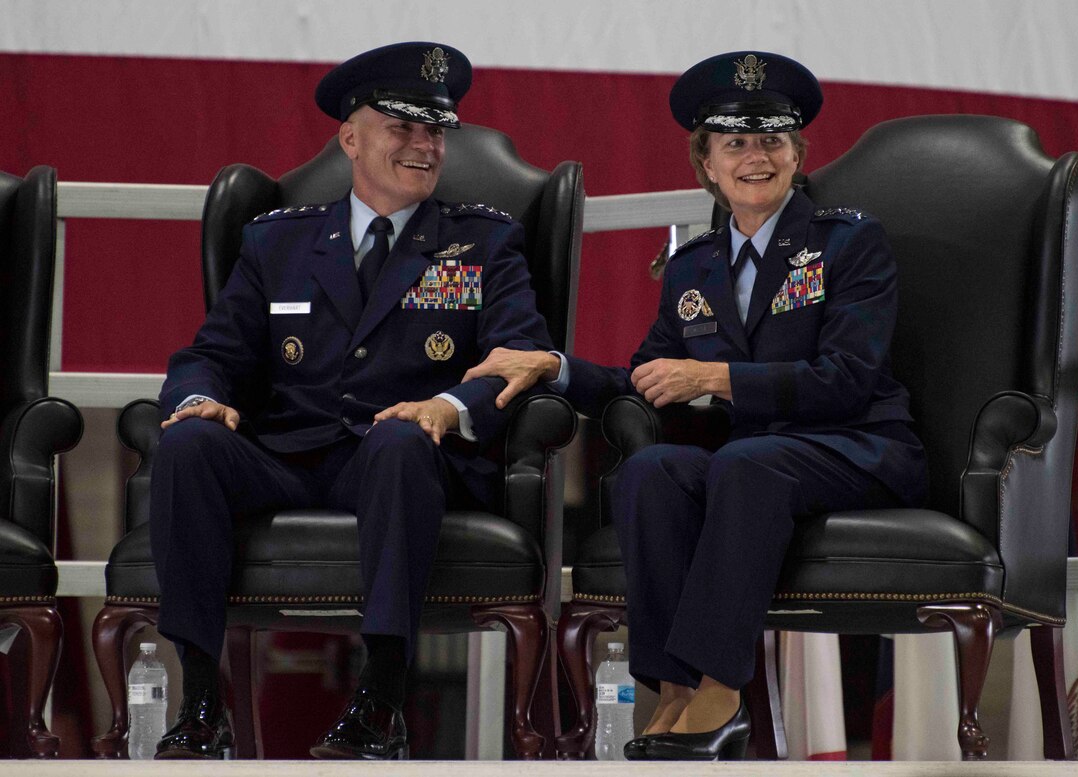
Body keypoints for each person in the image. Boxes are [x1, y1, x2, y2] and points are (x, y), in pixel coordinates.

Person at [462, 51, 927, 761]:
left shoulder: (847, 241)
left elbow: (849, 377)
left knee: (742, 461)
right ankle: (671, 684)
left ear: (797, 154)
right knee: (654, 471)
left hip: (857, 443)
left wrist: (715, 375)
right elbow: (647, 377)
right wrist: (553, 365)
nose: (755, 156)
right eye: (734, 143)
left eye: (772, 140)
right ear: (706, 164)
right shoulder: (694, 265)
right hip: (761, 460)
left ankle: (720, 684)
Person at [148, 41, 553, 760]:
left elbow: (515, 359)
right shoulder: (280, 243)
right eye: (403, 128)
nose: (425, 146)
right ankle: (203, 700)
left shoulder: (481, 244)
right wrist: (203, 398)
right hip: (289, 454)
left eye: (434, 131)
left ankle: (382, 698)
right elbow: (209, 355)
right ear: (351, 138)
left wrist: (448, 406)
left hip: (403, 459)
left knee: (400, 439)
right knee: (186, 442)